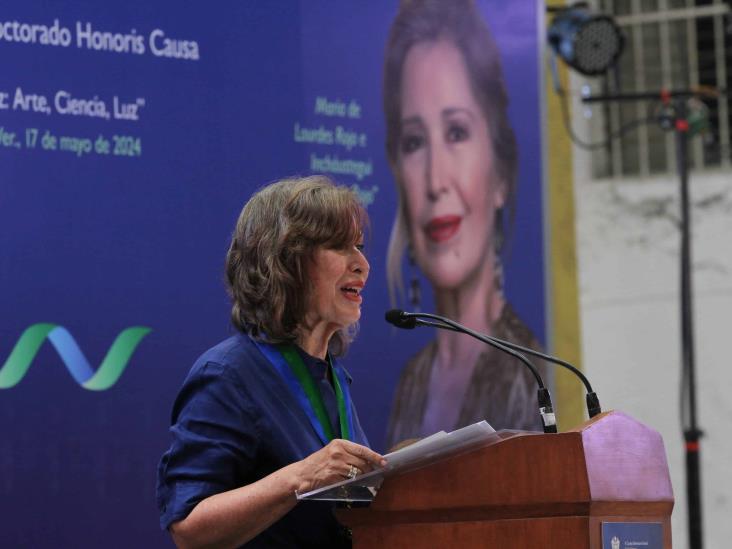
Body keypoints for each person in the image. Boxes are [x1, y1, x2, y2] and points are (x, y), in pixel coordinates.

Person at [156, 176, 385, 548]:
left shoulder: (332, 376)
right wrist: (301, 477)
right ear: (286, 260)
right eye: (340, 246)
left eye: (359, 246)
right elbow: (188, 527)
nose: (363, 265)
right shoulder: (227, 375)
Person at [383, 0, 546, 447]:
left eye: (456, 132)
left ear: (500, 174)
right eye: (414, 142)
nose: (436, 181)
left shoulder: (529, 370)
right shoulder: (412, 380)